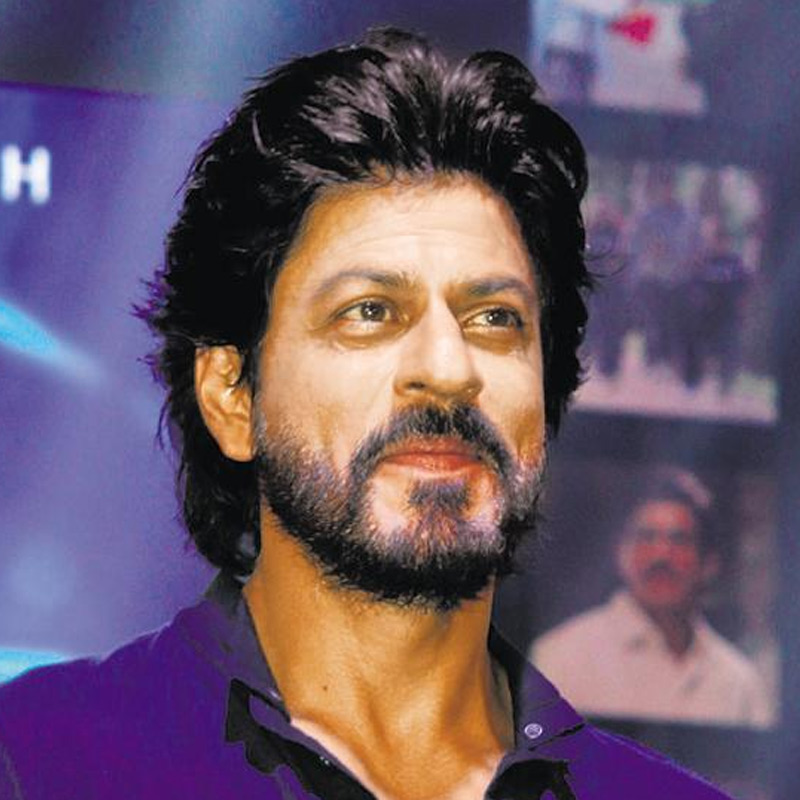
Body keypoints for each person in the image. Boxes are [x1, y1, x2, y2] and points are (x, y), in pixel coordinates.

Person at [0, 29, 729, 799]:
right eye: (371, 311)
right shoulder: (39, 763)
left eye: (494, 319)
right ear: (232, 396)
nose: (448, 370)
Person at [531, 469, 772, 728]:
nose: (661, 555)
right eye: (646, 537)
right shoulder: (561, 658)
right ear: (621, 553)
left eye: (679, 540)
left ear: (709, 563)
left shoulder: (738, 682)